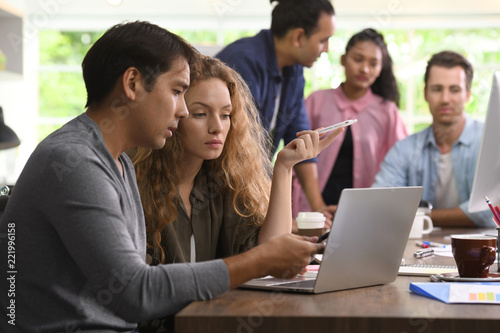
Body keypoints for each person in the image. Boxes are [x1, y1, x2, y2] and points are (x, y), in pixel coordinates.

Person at [0, 21, 327, 332]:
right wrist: (258, 260)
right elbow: (135, 293)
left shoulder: (117, 162)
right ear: (131, 85)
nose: (183, 110)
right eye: (177, 91)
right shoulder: (74, 160)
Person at [131, 55, 343, 332]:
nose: (217, 127)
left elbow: (270, 253)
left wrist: (284, 167)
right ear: (175, 114)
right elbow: (141, 292)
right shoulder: (137, 186)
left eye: (225, 114)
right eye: (200, 113)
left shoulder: (220, 183)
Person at [216, 0, 336, 221]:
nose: (326, 49)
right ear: (298, 37)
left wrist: (318, 207)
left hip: (248, 189)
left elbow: (301, 137)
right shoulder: (243, 62)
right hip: (221, 192)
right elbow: (241, 150)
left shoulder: (295, 71)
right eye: (323, 40)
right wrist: (281, 221)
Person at [291, 28, 407, 225]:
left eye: (374, 63)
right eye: (358, 59)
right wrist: (317, 206)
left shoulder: (387, 112)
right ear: (344, 60)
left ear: (381, 68)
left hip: (365, 216)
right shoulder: (316, 101)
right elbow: (296, 155)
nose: (365, 69)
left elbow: (400, 166)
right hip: (312, 210)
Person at [372, 50, 494, 228]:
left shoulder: (490, 144)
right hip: (420, 251)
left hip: (479, 251)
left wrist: (423, 217)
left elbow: (487, 210)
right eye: (437, 89)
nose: (445, 99)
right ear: (426, 94)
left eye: (454, 90)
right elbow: (380, 204)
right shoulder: (405, 149)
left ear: (467, 95)